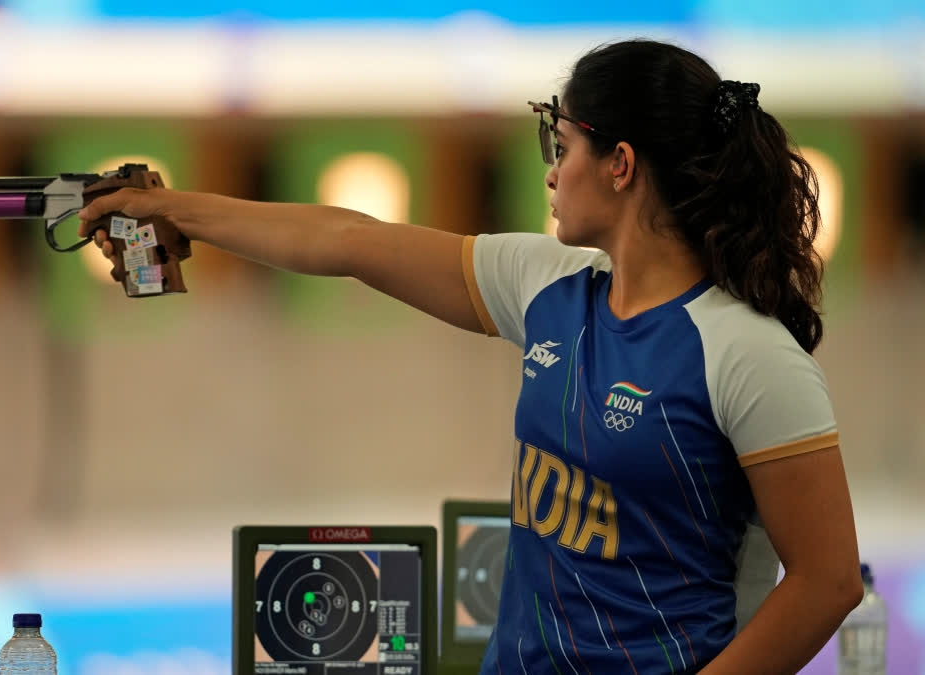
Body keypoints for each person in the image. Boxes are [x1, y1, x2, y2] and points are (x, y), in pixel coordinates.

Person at [79, 38, 862, 674]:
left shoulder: (747, 353)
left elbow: (826, 581)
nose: (552, 172)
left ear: (620, 164)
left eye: (565, 145)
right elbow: (351, 241)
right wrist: (169, 208)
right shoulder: (549, 283)